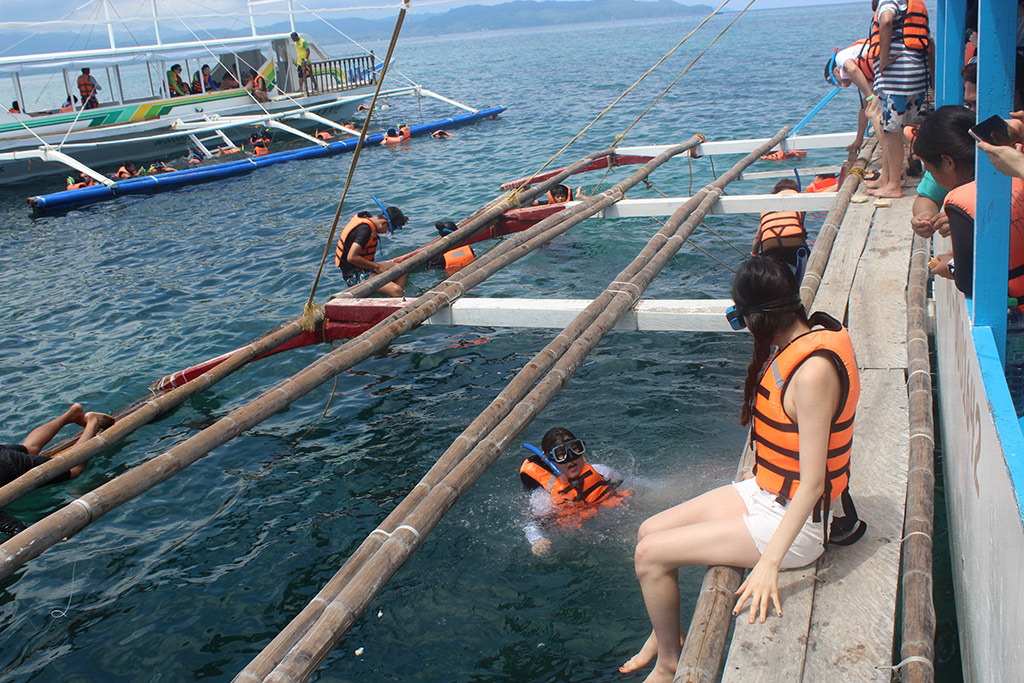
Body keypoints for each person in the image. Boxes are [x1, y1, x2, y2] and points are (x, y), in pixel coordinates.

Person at [621, 257, 860, 682]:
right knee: (648, 530)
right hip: (767, 491)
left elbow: (813, 484)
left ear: (756, 318)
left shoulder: (812, 374)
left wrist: (769, 564)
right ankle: (665, 631)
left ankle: (669, 663)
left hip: (798, 525)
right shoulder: (803, 340)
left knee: (649, 556)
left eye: (739, 318)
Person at [913, 105, 1024, 297]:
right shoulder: (1015, 173)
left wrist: (949, 265)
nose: (932, 176)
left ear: (948, 162)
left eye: (929, 170)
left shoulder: (960, 202)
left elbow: (968, 280)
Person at [0, 403, 115, 539]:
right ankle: (71, 415)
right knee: (30, 448)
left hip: (7, 465)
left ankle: (93, 423)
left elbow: (17, 529)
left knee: (74, 469)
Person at [519, 427, 629, 557]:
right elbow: (532, 523)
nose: (571, 458)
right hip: (584, 545)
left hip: (618, 526)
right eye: (561, 454)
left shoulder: (603, 472)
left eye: (575, 448)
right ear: (549, 462)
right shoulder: (545, 498)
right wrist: (537, 540)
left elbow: (631, 486)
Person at [863, 0, 932, 199]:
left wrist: (883, 58)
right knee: (893, 128)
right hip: (917, 75)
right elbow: (930, 43)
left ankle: (894, 185)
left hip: (897, 79)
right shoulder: (912, 3)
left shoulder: (889, 2)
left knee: (891, 132)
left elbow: (886, 21)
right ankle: (886, 178)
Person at [334, 203, 409, 296]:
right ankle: (396, 294)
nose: (385, 233)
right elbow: (351, 257)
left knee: (403, 269)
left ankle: (393, 295)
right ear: (384, 223)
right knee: (396, 290)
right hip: (354, 274)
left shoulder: (368, 220)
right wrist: (378, 267)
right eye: (388, 230)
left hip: (366, 267)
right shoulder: (364, 230)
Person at [826, 39, 881, 156]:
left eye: (837, 82)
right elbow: (865, 108)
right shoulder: (864, 77)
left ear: (836, 71)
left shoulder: (840, 57)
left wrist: (870, 96)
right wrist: (858, 139)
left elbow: (852, 69)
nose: (843, 85)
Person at [750, 179, 808, 267]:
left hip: (770, 248)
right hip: (795, 246)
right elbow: (800, 223)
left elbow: (757, 238)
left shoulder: (768, 207)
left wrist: (754, 255)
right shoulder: (797, 200)